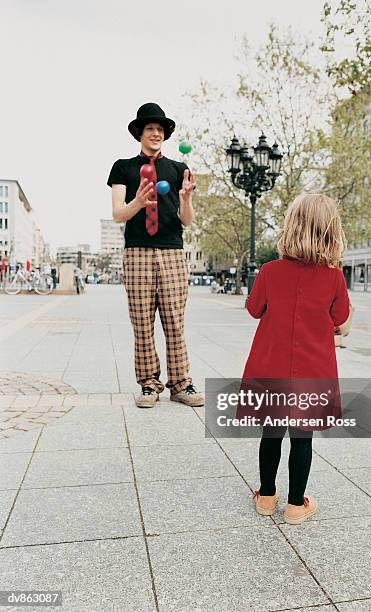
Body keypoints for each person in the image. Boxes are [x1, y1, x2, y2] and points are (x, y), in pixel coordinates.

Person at [241, 193, 353, 525]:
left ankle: (265, 496)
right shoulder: (333, 276)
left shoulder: (270, 271)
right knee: (302, 439)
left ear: (291, 227)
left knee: (271, 433)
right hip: (312, 371)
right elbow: (341, 320)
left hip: (270, 367)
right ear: (331, 232)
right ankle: (294, 506)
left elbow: (254, 309)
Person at [107, 103, 204, 409]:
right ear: (140, 133)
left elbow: (187, 219)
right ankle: (149, 384)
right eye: (150, 129)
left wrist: (186, 198)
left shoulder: (178, 170)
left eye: (160, 130)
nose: (156, 134)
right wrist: (137, 201)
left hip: (173, 251)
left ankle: (180, 383)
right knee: (142, 322)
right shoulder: (122, 167)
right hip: (136, 251)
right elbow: (118, 214)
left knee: (174, 320)